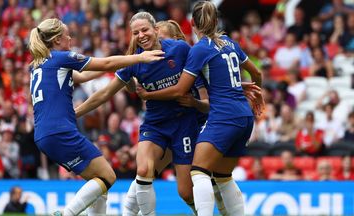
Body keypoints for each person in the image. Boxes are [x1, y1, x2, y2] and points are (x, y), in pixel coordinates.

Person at [136, 2, 263, 215]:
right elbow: (256, 74)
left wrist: (148, 95)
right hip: (244, 116)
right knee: (223, 176)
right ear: (216, 21)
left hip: (223, 117)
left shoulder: (200, 49)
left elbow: (179, 90)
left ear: (192, 23)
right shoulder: (230, 43)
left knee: (199, 171)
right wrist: (253, 94)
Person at [27, 18, 164, 216]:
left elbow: (84, 75)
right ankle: (67, 213)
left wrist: (117, 66)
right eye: (67, 35)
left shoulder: (38, 65)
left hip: (44, 135)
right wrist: (140, 58)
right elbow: (106, 63)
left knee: (99, 184)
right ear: (57, 40)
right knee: (108, 176)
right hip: (60, 131)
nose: (70, 38)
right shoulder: (61, 58)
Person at [75, 12, 200, 216]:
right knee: (142, 170)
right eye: (136, 32)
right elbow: (105, 93)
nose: (141, 35)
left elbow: (203, 75)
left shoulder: (180, 50)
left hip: (184, 123)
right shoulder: (133, 62)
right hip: (155, 125)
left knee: (186, 193)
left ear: (156, 30)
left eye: (145, 30)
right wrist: (75, 113)